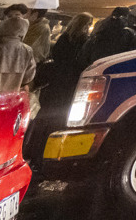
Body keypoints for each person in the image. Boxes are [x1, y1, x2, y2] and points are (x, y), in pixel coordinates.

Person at [27, 12, 94, 161]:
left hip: (54, 81)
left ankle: (31, 148)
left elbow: (55, 55)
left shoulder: (64, 37)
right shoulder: (85, 41)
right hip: (70, 84)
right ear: (85, 25)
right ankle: (45, 154)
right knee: (59, 119)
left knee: (44, 115)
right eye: (89, 24)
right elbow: (84, 62)